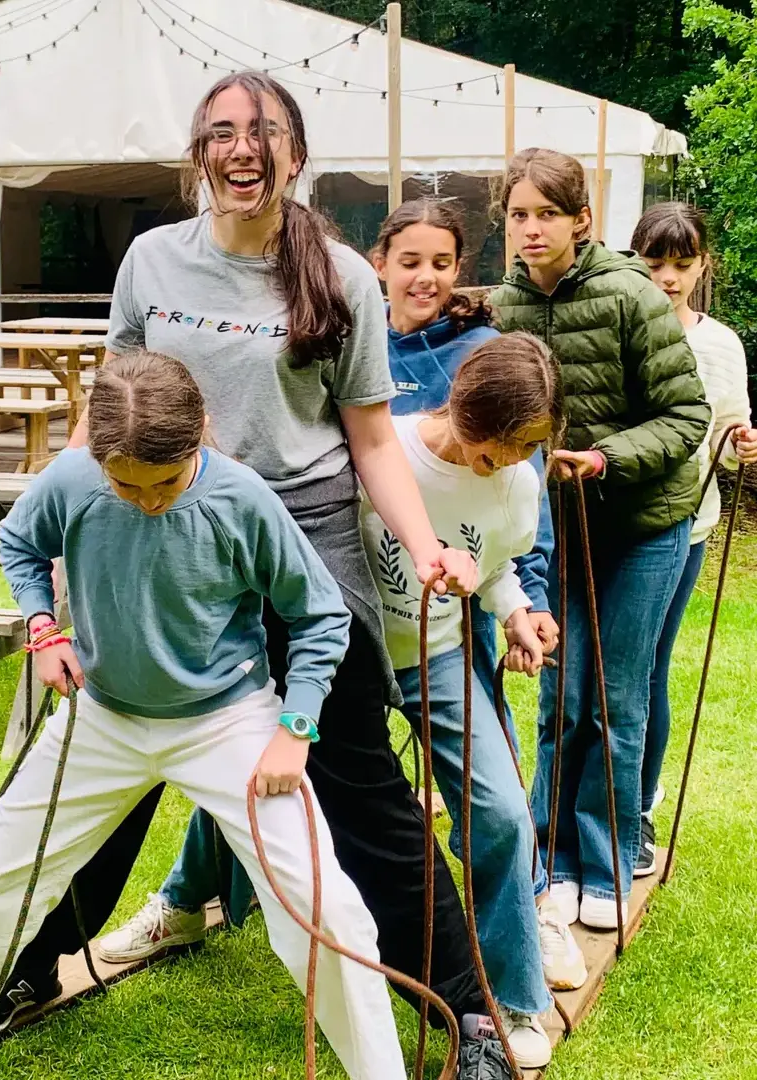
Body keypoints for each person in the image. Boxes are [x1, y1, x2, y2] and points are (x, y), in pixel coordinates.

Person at [2, 70, 513, 1075]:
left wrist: (421, 545)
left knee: (355, 779)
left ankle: (468, 1012)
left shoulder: (340, 277)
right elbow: (106, 410)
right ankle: (32, 960)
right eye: (224, 132)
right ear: (200, 150)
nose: (244, 149)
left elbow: (370, 443)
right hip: (165, 536)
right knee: (115, 755)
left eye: (264, 133)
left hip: (303, 537)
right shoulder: (152, 260)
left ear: (295, 152)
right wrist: (69, 539)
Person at [0, 351, 407, 1080]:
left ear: (202, 436)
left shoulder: (243, 499)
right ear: (97, 456)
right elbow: (19, 542)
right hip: (104, 717)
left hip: (229, 718)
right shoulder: (74, 478)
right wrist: (44, 629)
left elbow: (320, 614)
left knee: (324, 906)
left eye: (166, 484)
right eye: (127, 485)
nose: (148, 501)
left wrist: (296, 726)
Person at [492, 149, 711, 930]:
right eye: (519, 213)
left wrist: (607, 456)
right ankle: (551, 859)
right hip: (557, 531)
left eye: (547, 212)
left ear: (582, 219)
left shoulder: (630, 295)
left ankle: (608, 861)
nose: (532, 227)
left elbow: (688, 417)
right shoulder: (504, 307)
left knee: (615, 702)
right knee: (562, 698)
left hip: (645, 527)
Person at [361, 332, 584, 1070]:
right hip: (353, 660)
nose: (514, 461)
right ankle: (188, 898)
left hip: (440, 661)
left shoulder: (517, 485)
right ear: (463, 402)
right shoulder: (382, 446)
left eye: (530, 447)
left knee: (499, 815)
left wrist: (516, 613)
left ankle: (515, 997)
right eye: (504, 443)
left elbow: (496, 570)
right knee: (271, 777)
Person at [368, 198, 558, 741]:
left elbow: (525, 488)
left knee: (475, 725)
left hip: (464, 572)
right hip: (373, 571)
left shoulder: (483, 352)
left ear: (459, 269)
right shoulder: (357, 346)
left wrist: (534, 596)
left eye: (442, 263)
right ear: (378, 262)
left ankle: (490, 821)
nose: (426, 277)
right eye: (410, 262)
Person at [630, 202, 757, 874]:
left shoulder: (720, 344)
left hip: (689, 525)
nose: (670, 277)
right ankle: (586, 805)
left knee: (647, 667)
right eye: (655, 263)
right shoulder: (621, 322)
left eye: (683, 264)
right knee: (599, 675)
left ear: (703, 264)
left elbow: (729, 445)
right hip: (615, 519)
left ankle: (640, 810)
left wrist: (744, 448)